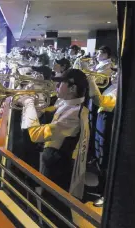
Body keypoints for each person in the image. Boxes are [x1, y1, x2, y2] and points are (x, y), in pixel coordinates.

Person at [19, 69, 89, 227]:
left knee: (52, 208)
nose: (57, 86)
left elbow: (36, 134)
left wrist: (29, 103)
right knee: (51, 205)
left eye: (61, 83)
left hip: (57, 167)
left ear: (72, 89)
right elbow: (51, 111)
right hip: (54, 161)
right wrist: (36, 106)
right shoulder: (70, 105)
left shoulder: (73, 114)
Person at [88, 67, 118, 207]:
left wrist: (91, 81)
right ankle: (101, 188)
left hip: (108, 122)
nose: (113, 74)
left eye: (117, 72)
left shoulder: (119, 90)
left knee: (105, 159)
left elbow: (100, 101)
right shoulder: (112, 86)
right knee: (100, 157)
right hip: (102, 120)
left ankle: (105, 194)